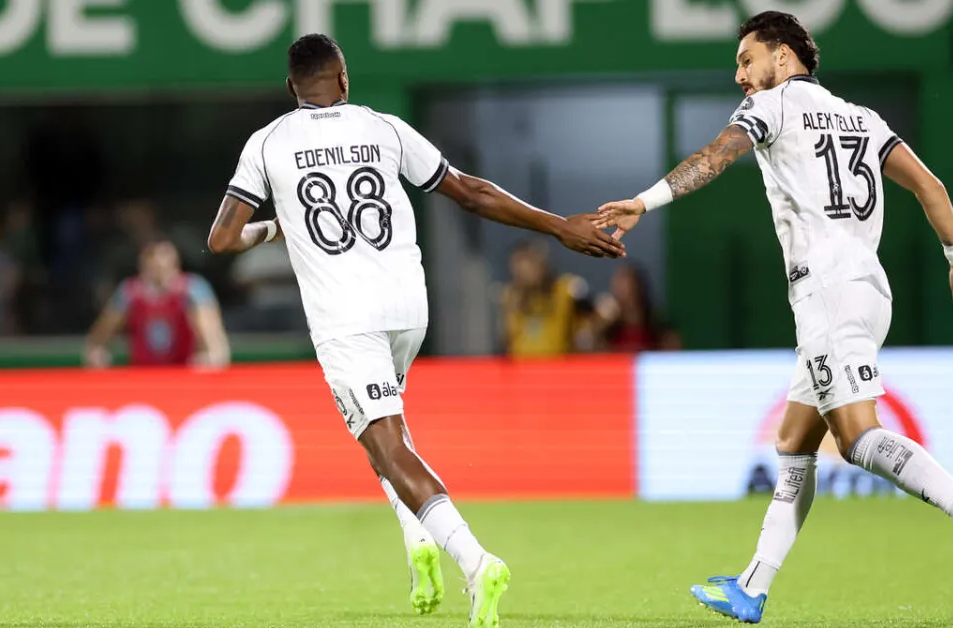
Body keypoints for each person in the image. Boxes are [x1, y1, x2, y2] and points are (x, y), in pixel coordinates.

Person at [596, 11, 953, 623]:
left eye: (746, 60)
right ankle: (753, 586)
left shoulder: (775, 105)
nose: (739, 75)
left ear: (783, 58)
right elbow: (931, 186)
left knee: (857, 436)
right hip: (868, 288)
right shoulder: (863, 119)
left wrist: (644, 201)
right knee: (793, 443)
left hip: (825, 292)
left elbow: (718, 154)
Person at [206, 34, 624, 627]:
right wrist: (558, 226)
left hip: (345, 319)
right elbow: (471, 193)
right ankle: (417, 540)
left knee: (384, 442)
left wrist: (279, 229)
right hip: (407, 307)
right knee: (389, 431)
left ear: (290, 88)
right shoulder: (385, 128)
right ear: (344, 80)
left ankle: (475, 562)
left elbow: (222, 239)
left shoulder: (268, 143)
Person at [84, 239, 229, 370]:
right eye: (153, 268)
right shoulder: (129, 293)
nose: (159, 275)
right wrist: (97, 355)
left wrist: (208, 359)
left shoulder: (193, 290)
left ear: (175, 266)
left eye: (164, 268)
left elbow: (215, 343)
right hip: (142, 376)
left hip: (183, 375)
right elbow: (97, 340)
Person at [500, 240, 586, 358]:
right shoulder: (510, 296)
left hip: (557, 367)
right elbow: (507, 338)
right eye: (517, 266)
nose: (521, 271)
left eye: (529, 262)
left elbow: (596, 314)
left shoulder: (564, 289)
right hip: (521, 369)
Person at [594, 263, 681, 353]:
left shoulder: (660, 327)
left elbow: (673, 353)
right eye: (619, 286)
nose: (623, 291)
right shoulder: (608, 329)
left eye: (630, 286)